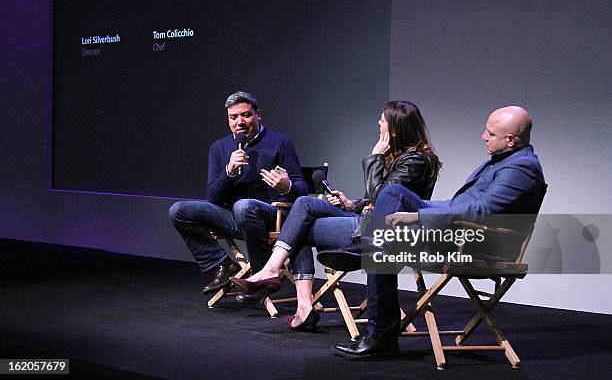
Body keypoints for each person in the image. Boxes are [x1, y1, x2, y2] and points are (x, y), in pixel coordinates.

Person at [318, 105, 546, 359]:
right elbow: (459, 205)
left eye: (490, 134)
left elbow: (481, 211)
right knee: (392, 194)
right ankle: (369, 247)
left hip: (474, 242)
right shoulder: (504, 160)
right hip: (460, 231)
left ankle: (381, 333)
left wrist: (418, 215)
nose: (483, 136)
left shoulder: (521, 168)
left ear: (511, 140)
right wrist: (422, 208)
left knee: (381, 251)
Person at [230, 101, 442, 328]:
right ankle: (279, 280)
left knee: (300, 224)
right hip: (368, 219)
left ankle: (294, 296)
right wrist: (350, 204)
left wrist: (375, 158)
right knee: (303, 205)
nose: (378, 124)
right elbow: (376, 200)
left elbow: (386, 199)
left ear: (395, 130)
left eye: (382, 121)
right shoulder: (401, 156)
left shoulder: (415, 161)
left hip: (383, 232)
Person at [169, 91, 308, 296]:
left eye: (246, 115)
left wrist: (286, 186)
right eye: (233, 117)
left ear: (258, 115)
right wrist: (229, 172)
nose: (240, 122)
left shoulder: (280, 142)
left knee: (244, 206)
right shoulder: (219, 147)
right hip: (234, 217)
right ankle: (222, 264)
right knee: (178, 210)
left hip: (271, 217)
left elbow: (302, 188)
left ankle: (260, 276)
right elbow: (214, 197)